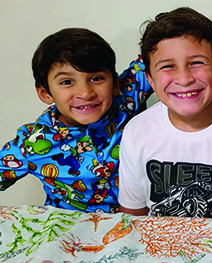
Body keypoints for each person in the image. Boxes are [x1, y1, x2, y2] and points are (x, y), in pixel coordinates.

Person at [118, 7, 212, 218]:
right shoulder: (137, 131)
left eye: (196, 63)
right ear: (150, 79)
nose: (184, 79)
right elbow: (132, 216)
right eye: (167, 66)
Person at [0, 28, 152, 213]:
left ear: (115, 84)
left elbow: (160, 52)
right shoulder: (30, 143)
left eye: (96, 78)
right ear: (45, 93)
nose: (85, 93)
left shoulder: (123, 98)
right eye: (66, 82)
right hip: (70, 234)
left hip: (136, 224)